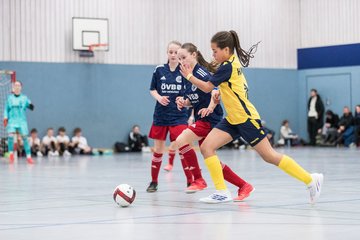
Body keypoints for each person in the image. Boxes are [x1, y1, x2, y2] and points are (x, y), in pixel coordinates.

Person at [180, 30, 323, 204]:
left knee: (269, 156)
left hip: (246, 119)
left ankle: (310, 180)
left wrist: (188, 76)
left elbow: (207, 87)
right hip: (232, 119)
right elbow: (227, 88)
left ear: (226, 50)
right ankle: (221, 191)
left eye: (215, 51)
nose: (213, 54)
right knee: (206, 147)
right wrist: (220, 96)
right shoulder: (229, 64)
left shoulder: (228, 66)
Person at [175, 42, 254, 201]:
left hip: (210, 120)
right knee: (212, 160)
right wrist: (185, 102)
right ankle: (244, 185)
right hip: (201, 118)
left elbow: (215, 91)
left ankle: (198, 180)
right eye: (179, 59)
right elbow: (194, 99)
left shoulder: (202, 73)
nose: (181, 61)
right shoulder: (187, 76)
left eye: (184, 57)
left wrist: (210, 108)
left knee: (181, 140)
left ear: (194, 55)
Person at [146, 41, 191, 192]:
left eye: (175, 52)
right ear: (167, 53)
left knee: (183, 146)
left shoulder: (185, 71)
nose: (173, 55)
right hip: (161, 116)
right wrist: (159, 98)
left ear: (180, 54)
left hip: (179, 116)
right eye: (170, 52)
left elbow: (189, 93)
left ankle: (190, 181)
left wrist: (183, 101)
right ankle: (153, 182)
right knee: (158, 149)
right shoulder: (159, 70)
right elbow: (152, 90)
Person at [3, 81, 35, 164]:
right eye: (15, 85)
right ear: (13, 88)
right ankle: (11, 154)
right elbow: (6, 109)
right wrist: (5, 117)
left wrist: (31, 105)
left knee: (25, 138)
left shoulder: (24, 98)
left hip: (22, 121)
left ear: (21, 87)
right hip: (12, 120)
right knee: (10, 136)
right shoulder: (10, 98)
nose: (17, 87)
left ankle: (28, 157)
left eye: (18, 85)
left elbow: (31, 107)